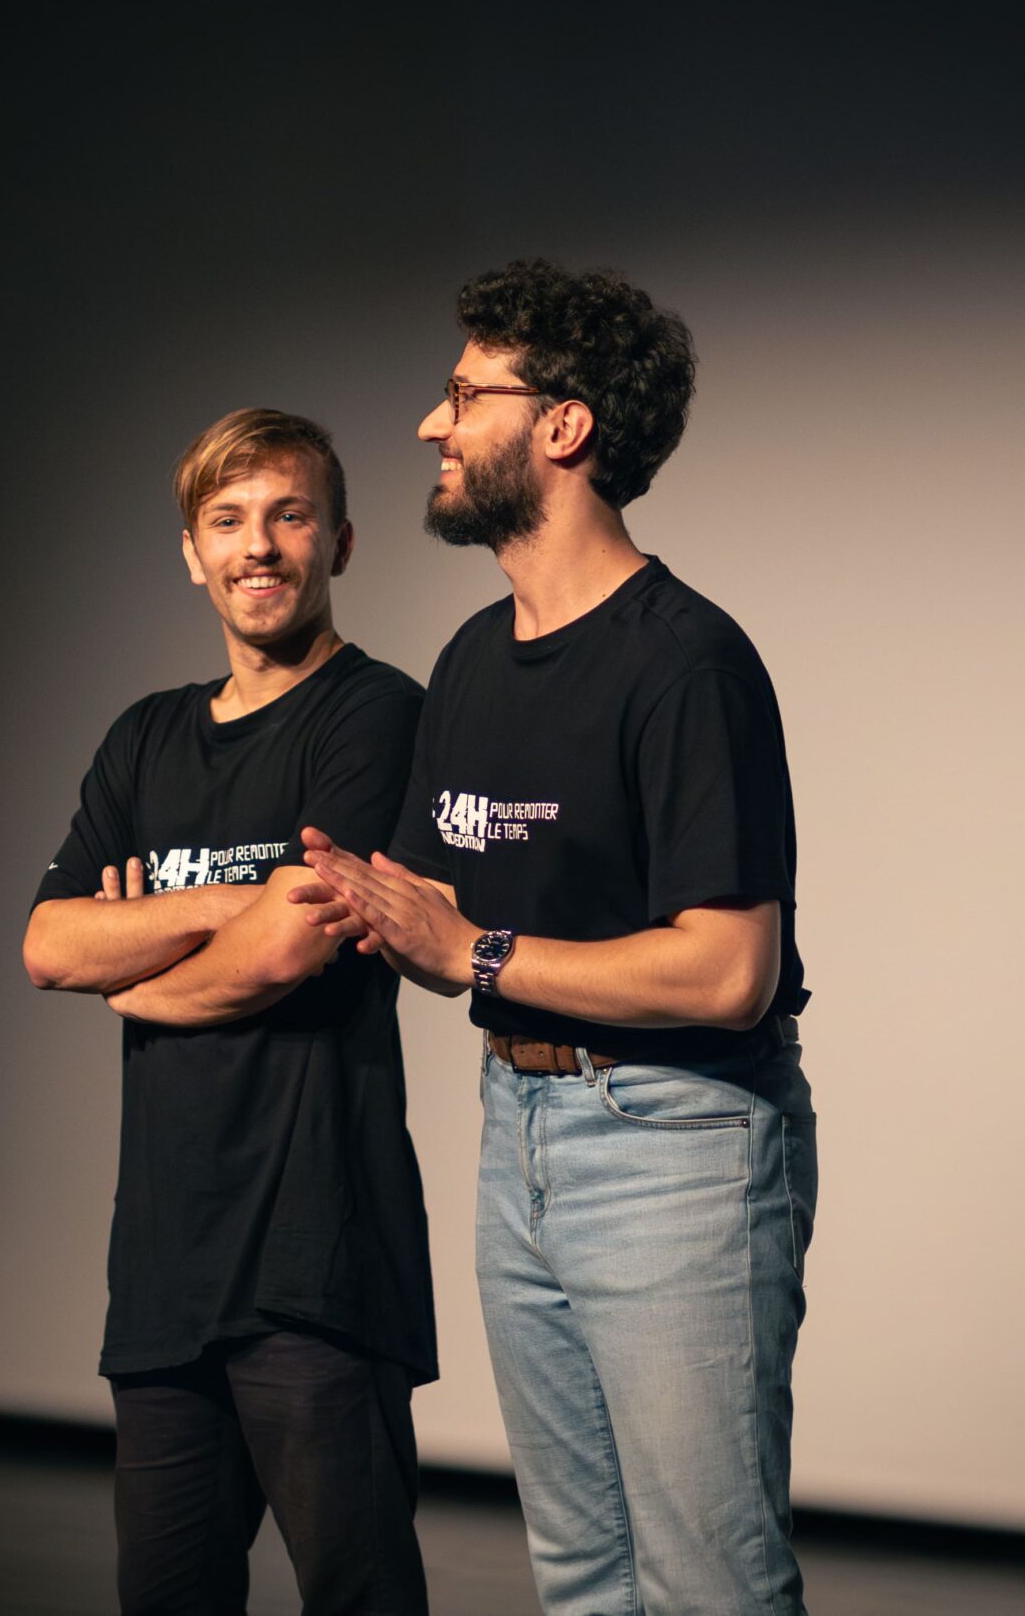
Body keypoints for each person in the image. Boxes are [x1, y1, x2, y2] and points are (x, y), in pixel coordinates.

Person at [295, 260, 817, 1615]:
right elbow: (395, 894)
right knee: (582, 1575)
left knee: (710, 1582)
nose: (431, 421)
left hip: (674, 1141)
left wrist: (476, 950)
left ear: (564, 426)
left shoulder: (685, 662)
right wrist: (157, 915)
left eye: (467, 391)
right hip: (518, 1130)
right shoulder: (474, 657)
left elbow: (729, 967)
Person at [22, 409, 435, 1615]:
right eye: (227, 522)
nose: (258, 547)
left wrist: (137, 969)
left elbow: (298, 939)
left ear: (341, 542)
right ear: (191, 554)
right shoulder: (145, 736)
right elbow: (48, 945)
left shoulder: (374, 713)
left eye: (288, 516)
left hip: (318, 1261)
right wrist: (240, 904)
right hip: (162, 1268)